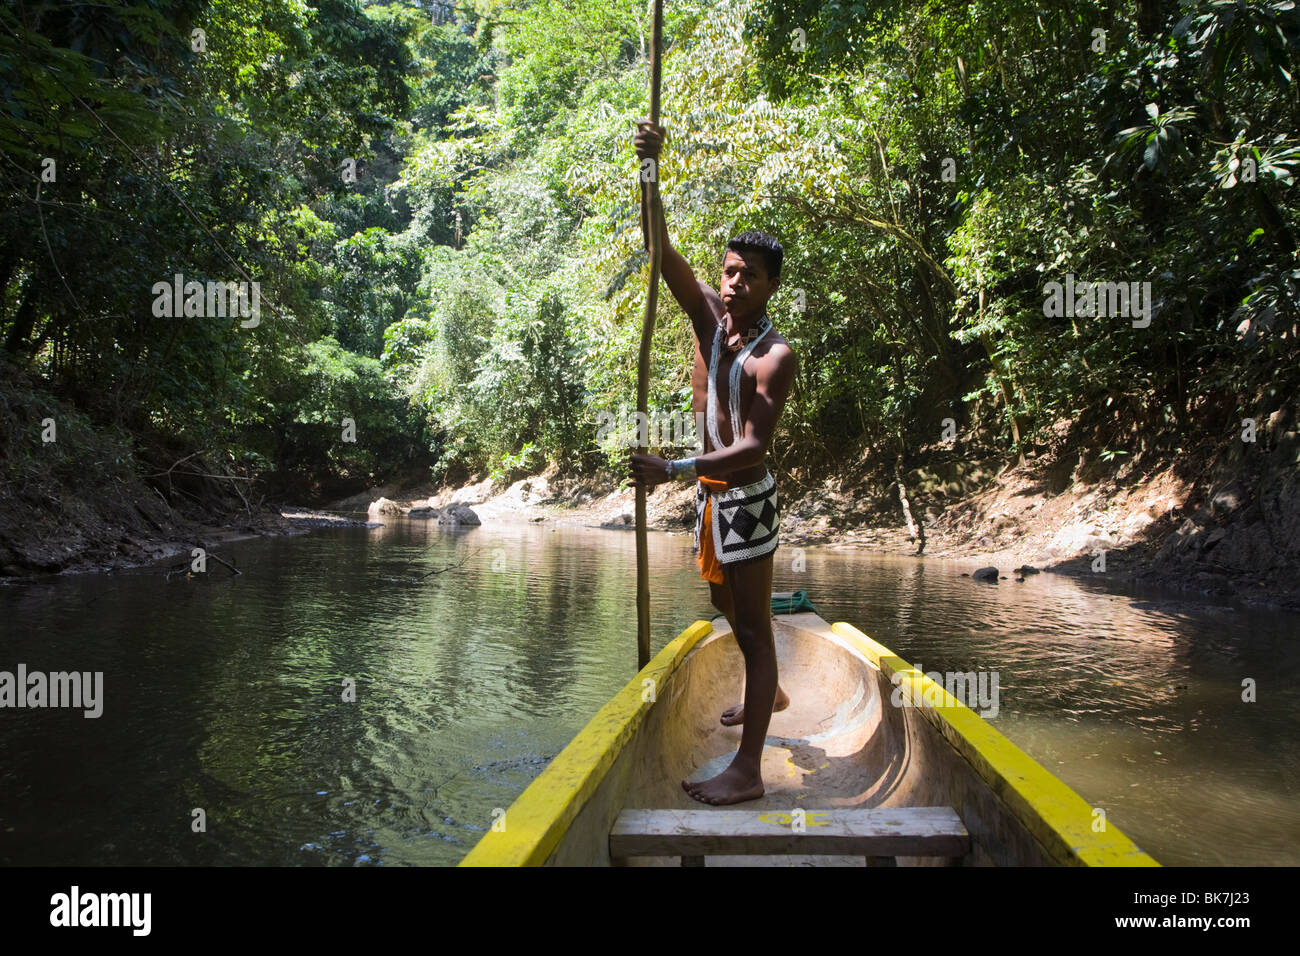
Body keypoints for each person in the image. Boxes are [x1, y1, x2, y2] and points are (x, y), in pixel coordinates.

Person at [627, 119, 799, 805]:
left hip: (745, 498)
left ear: (770, 287)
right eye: (728, 272)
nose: (731, 285)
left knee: (754, 629)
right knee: (722, 600)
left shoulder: (773, 356)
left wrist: (671, 471)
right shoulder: (706, 320)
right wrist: (649, 170)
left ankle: (748, 770)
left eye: (747, 277)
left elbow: (755, 447)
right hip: (708, 497)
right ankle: (775, 689)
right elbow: (658, 247)